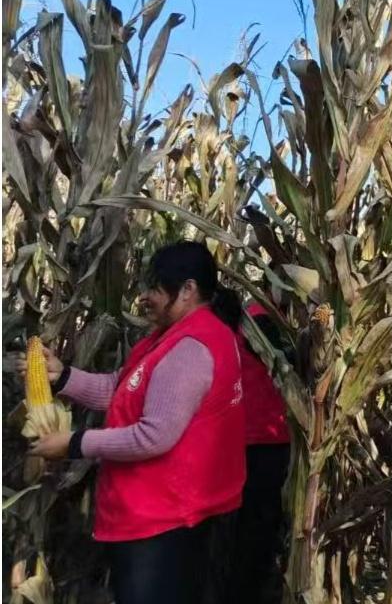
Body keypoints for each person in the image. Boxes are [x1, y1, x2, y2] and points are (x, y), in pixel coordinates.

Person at [26, 241, 247, 604]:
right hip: (163, 513)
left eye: (155, 289)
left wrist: (74, 444)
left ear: (188, 290)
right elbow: (124, 389)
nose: (144, 298)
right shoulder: (167, 337)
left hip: (165, 522)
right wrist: (62, 376)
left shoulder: (191, 350)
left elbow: (154, 436)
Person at [225, 299, 292, 603]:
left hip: (250, 438)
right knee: (258, 527)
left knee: (249, 525)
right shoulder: (261, 320)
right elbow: (285, 363)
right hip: (264, 440)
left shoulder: (251, 316)